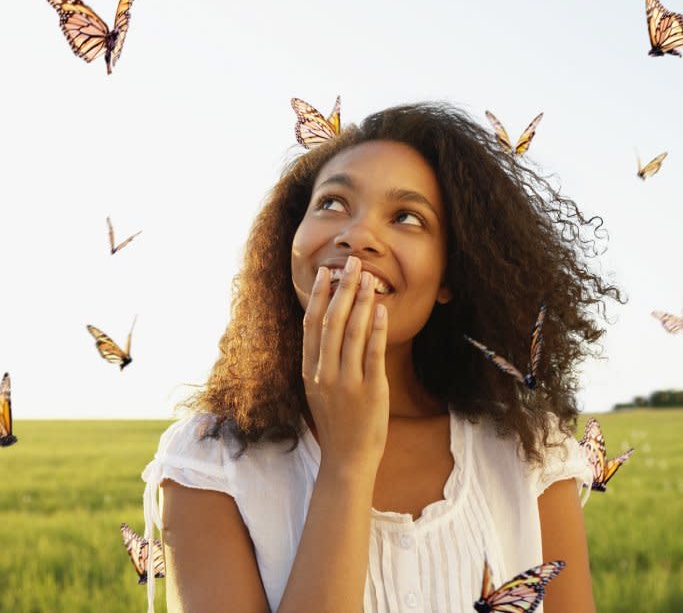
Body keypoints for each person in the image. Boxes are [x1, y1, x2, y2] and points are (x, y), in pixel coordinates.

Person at [141, 102, 623, 612]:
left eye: (407, 217)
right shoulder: (209, 461)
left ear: (450, 276)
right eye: (332, 203)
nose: (358, 235)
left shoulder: (530, 454)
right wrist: (347, 462)